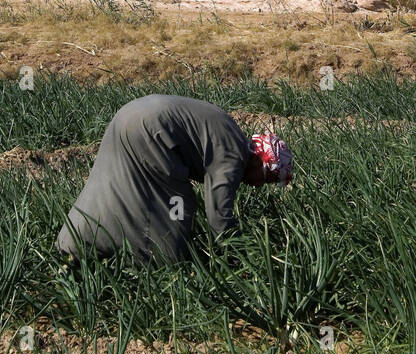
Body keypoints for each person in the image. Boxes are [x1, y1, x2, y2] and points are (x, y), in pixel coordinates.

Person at [56, 94, 294, 263]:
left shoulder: (231, 134)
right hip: (151, 130)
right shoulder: (233, 154)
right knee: (177, 204)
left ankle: (74, 246)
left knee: (113, 189)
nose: (260, 185)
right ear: (260, 162)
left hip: (129, 116)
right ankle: (162, 262)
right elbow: (218, 214)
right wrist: (241, 253)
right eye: (267, 178)